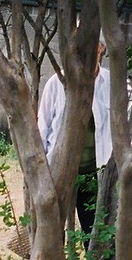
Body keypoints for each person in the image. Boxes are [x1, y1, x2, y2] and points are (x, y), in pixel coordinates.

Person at [37, 41, 111, 238]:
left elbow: (123, 128)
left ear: (101, 48)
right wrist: (41, 173)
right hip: (59, 172)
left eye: (94, 44)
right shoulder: (56, 82)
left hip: (94, 175)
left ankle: (90, 259)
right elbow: (42, 127)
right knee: (52, 234)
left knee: (92, 233)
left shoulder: (111, 83)